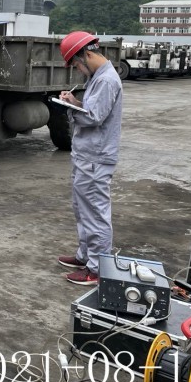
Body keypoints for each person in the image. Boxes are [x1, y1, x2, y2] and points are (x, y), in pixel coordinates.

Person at [57, 31, 123, 286]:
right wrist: (74, 101)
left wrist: (69, 108)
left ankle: (96, 268)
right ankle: (85, 255)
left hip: (96, 157)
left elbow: (93, 117)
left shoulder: (106, 80)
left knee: (95, 212)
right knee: (83, 209)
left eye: (76, 64)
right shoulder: (98, 78)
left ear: (86, 55)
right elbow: (92, 109)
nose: (77, 69)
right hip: (88, 155)